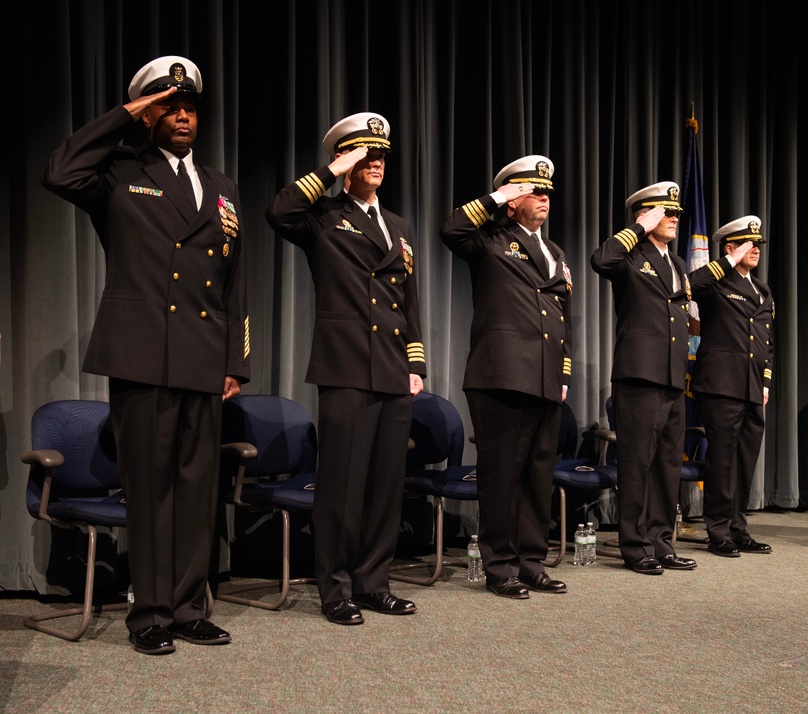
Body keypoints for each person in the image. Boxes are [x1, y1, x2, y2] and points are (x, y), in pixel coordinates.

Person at [42, 56, 250, 654]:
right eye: (168, 105)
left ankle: (188, 606)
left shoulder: (222, 187)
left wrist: (237, 362)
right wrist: (127, 112)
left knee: (196, 489)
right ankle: (150, 614)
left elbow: (236, 282)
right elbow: (58, 171)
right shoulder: (116, 172)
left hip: (205, 355)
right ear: (149, 113)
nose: (182, 115)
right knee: (151, 488)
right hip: (143, 352)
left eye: (188, 107)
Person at [265, 113, 426, 625]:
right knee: (342, 486)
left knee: (385, 485)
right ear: (346, 159)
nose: (374, 160)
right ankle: (334, 588)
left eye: (379, 153)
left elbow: (409, 299)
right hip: (346, 364)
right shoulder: (323, 215)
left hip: (393, 367)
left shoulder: (398, 226)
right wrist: (330, 171)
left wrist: (416, 362)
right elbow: (278, 212)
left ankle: (373, 582)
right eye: (363, 153)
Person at [440, 155, 571, 599]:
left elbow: (560, 316)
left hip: (546, 375)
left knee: (538, 475)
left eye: (547, 191)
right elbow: (451, 229)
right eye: (533, 190)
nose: (543, 196)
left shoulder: (555, 252)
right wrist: (497, 197)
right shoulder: (490, 237)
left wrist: (564, 368)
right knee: (501, 474)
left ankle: (531, 560)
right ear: (513, 200)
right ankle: (499, 565)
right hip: (500, 373)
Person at [590, 181, 698, 575]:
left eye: (675, 214)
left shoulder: (679, 265)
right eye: (665, 213)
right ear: (645, 215)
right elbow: (600, 260)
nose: (673, 219)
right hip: (639, 374)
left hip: (672, 376)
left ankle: (660, 541)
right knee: (637, 463)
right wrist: (637, 229)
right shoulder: (630, 255)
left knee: (668, 464)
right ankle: (634, 546)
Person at [688, 215, 774, 558]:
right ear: (731, 247)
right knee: (722, 460)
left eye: (758, 245)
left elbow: (768, 342)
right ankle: (718, 530)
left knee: (744, 461)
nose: (755, 250)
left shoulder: (763, 290)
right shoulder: (717, 283)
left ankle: (738, 527)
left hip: (753, 386)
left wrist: (765, 381)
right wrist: (728, 262)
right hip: (721, 384)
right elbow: (689, 284)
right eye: (748, 244)